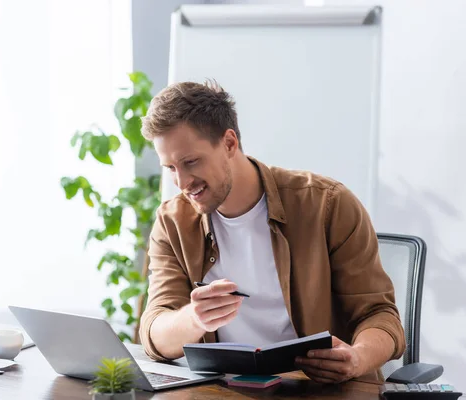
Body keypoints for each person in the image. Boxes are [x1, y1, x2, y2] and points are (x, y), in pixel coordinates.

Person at [138, 80, 405, 384]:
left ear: (229, 143)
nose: (182, 182)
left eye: (191, 162)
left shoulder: (327, 204)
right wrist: (194, 318)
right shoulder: (173, 222)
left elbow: (380, 316)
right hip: (226, 390)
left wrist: (357, 358)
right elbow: (155, 333)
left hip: (318, 390)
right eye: (170, 168)